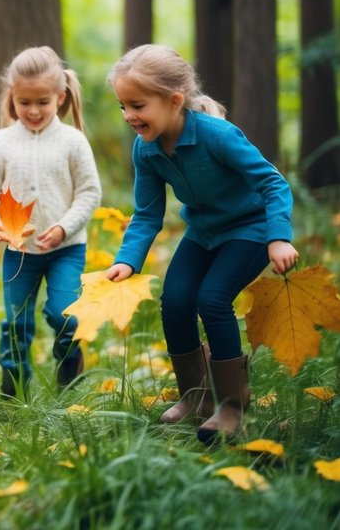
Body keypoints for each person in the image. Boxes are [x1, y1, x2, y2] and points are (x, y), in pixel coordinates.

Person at [105, 44, 299, 441]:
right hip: (203, 234)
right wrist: (128, 260)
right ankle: (196, 399)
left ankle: (232, 407)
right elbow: (146, 214)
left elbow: (272, 182)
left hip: (249, 229)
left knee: (211, 298)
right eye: (122, 106)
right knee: (175, 300)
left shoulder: (217, 136)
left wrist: (278, 237)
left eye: (137, 105)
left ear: (174, 100)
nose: (129, 116)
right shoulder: (147, 149)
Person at [0, 46, 101, 398]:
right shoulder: (1, 142)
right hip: (19, 251)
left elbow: (90, 192)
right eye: (23, 101)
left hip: (66, 249)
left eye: (42, 102)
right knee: (16, 321)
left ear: (60, 97)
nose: (32, 110)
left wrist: (63, 227)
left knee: (64, 314)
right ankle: (12, 388)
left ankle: (70, 362)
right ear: (11, 96)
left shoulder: (73, 142)